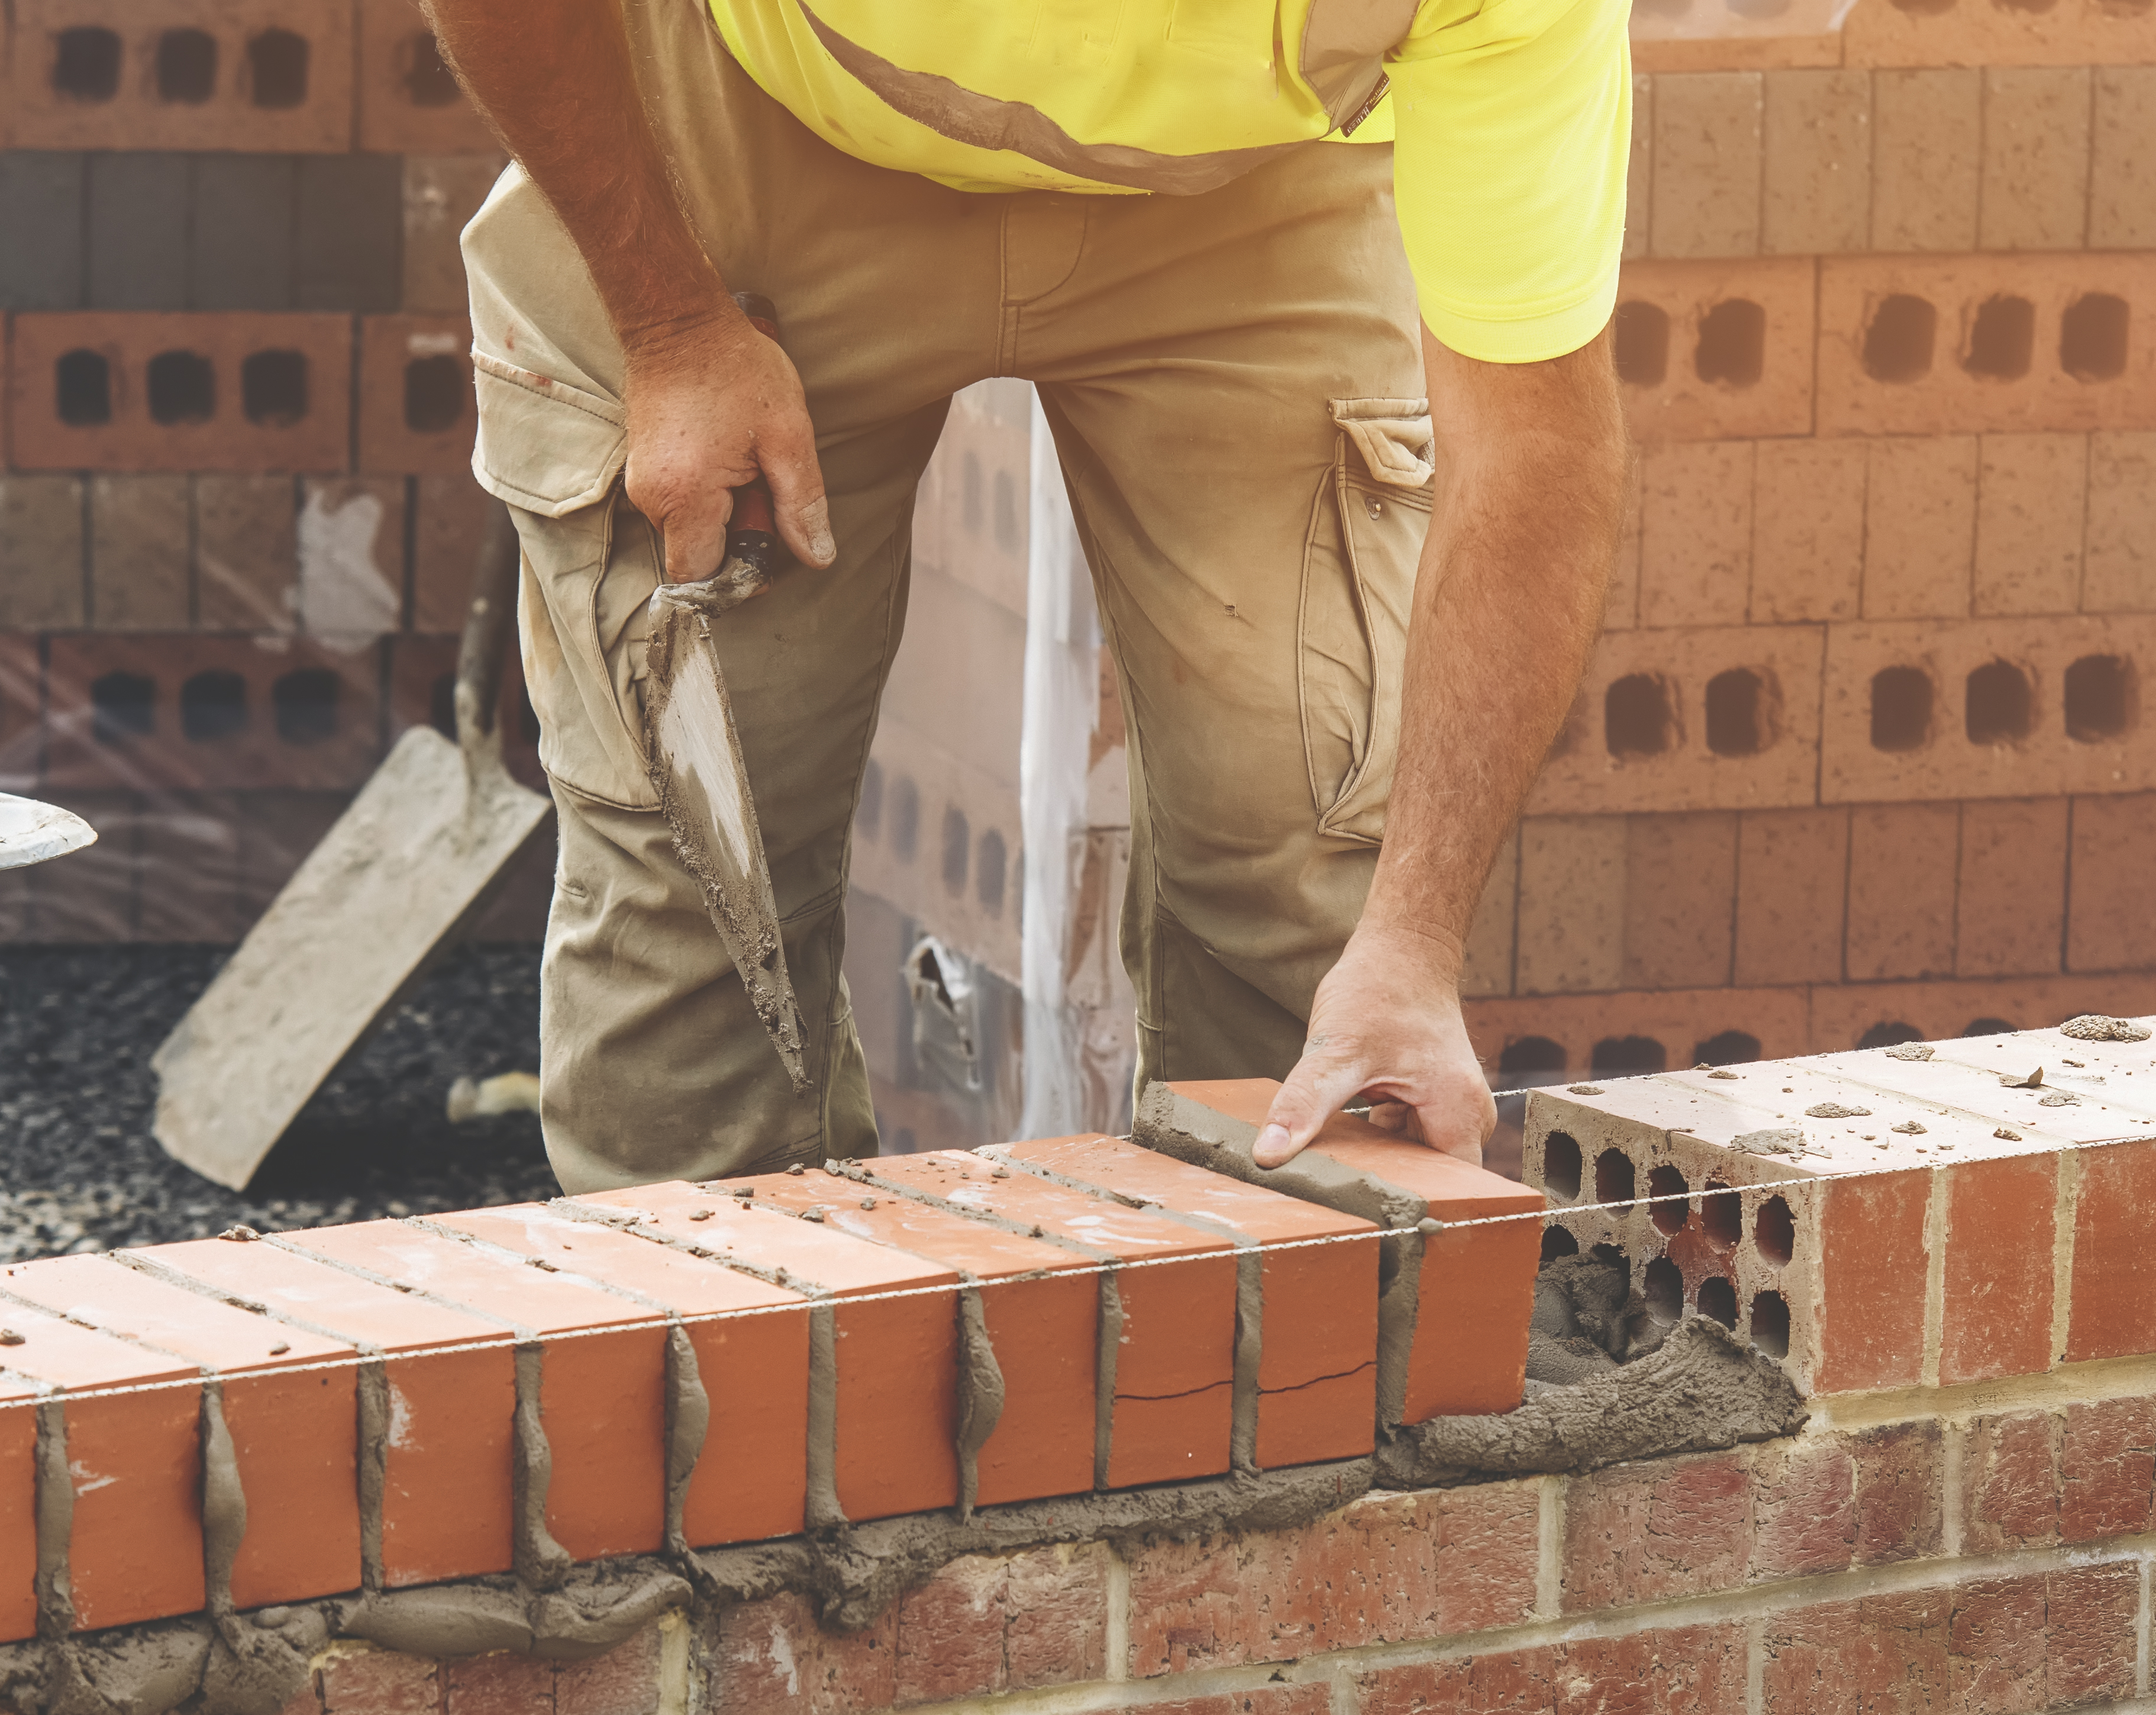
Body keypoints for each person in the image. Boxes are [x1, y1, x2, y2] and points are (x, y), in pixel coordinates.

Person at [431, 0, 1632, 1187]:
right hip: (767, 115)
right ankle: (726, 1345)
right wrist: (669, 322)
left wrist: (1414, 942)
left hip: (1253, 183)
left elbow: (1535, 445)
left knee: (1318, 895)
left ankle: (1294, 1358)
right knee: (701, 877)